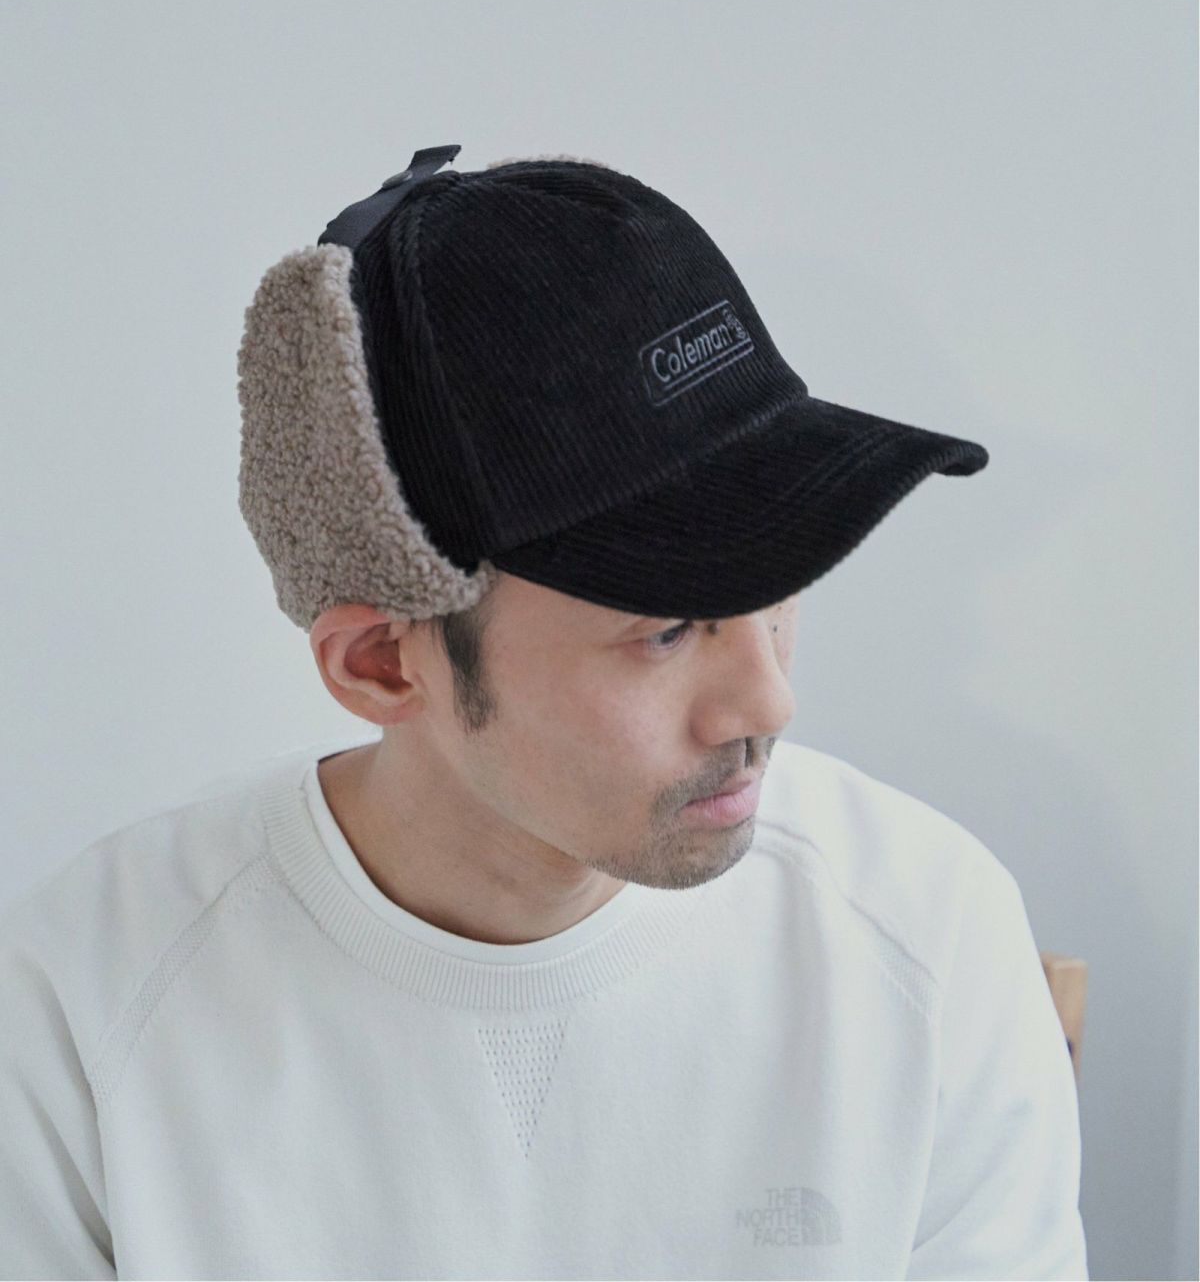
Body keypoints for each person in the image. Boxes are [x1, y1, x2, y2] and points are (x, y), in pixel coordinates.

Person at [0, 150, 1087, 1280]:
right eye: (667, 630)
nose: (769, 699)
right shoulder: (81, 1012)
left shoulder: (925, 935)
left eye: (778, 588)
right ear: (381, 664)